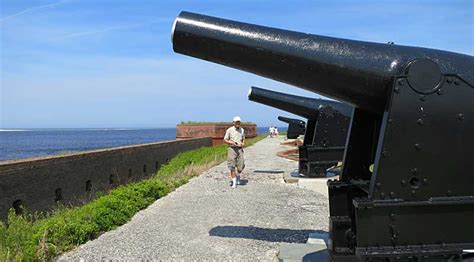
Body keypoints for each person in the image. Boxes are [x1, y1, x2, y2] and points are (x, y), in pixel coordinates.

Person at [224, 116, 245, 189]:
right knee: (232, 166)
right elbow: (225, 139)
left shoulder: (242, 130)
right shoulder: (229, 130)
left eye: (239, 122)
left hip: (240, 149)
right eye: (236, 122)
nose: (237, 123)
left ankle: (238, 175)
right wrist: (232, 142)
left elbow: (243, 139)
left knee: (241, 166)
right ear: (233, 122)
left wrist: (243, 143)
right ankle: (234, 182)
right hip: (232, 149)